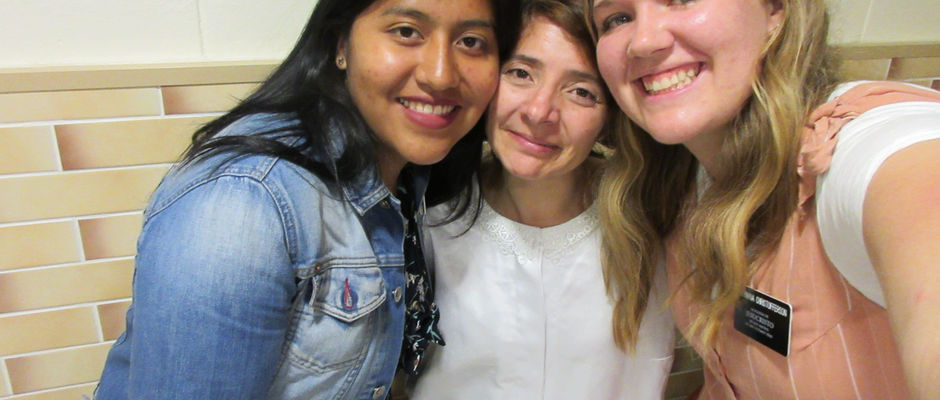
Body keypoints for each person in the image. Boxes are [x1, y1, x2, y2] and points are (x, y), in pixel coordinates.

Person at [94, 0, 521, 398]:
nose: (441, 75)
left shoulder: (411, 173)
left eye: (471, 42)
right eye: (407, 31)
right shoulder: (243, 205)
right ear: (340, 44)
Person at [589, 0, 940, 398]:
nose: (643, 41)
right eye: (617, 18)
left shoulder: (866, 153)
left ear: (775, 10)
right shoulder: (684, 178)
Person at [409, 1, 675, 398]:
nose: (539, 112)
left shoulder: (659, 217)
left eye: (581, 92)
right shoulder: (427, 215)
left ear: (611, 117)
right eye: (521, 73)